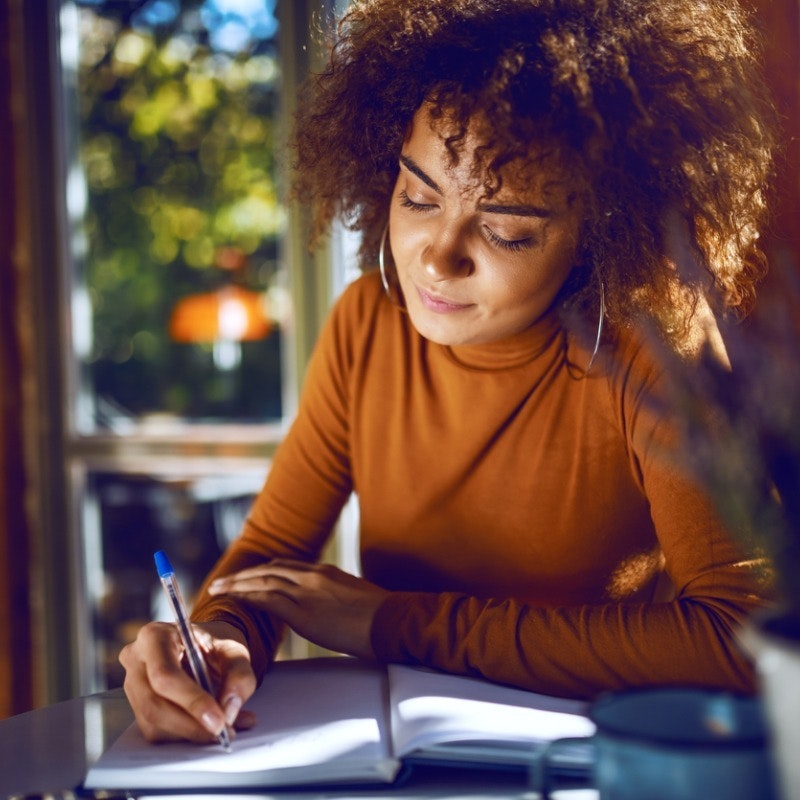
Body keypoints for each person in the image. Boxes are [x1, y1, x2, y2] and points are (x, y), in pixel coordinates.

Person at [120, 0, 777, 745]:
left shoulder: (654, 348)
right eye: (418, 196)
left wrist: (396, 623)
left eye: (506, 230)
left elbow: (744, 635)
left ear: (600, 238)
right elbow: (272, 558)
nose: (438, 255)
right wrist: (215, 640)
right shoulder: (367, 322)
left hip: (605, 762)